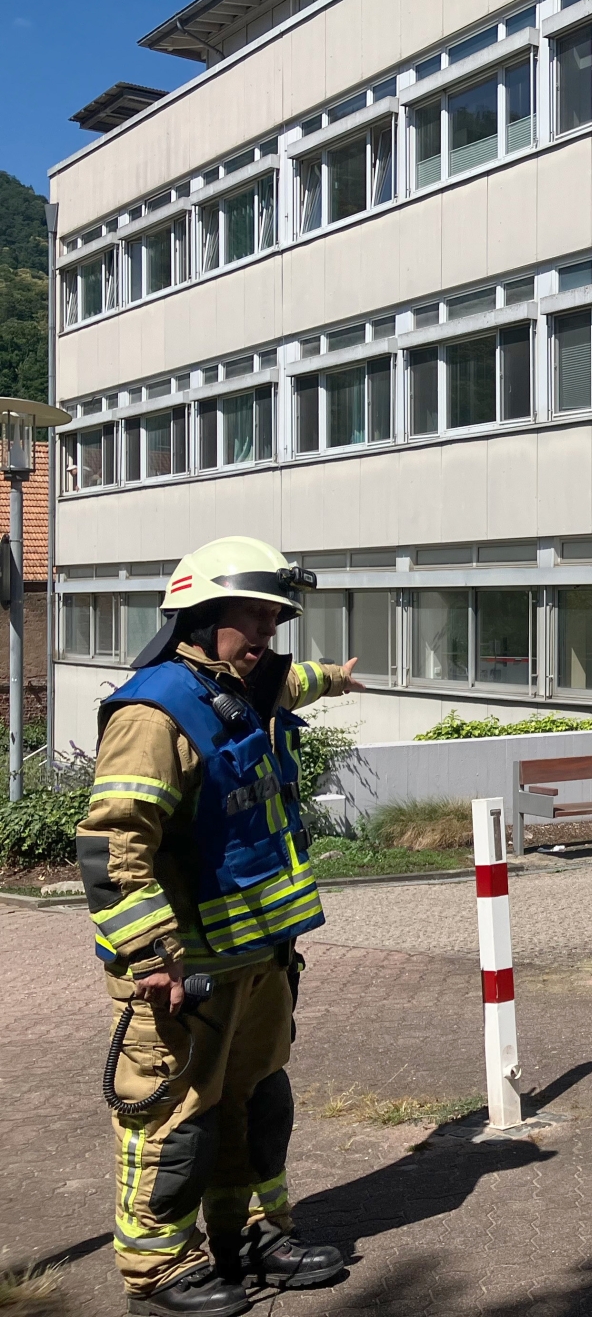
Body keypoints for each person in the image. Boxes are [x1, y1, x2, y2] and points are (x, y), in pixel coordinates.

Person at [79, 537, 364, 1316]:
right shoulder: (154, 713)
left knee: (255, 1103)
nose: (269, 635)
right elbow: (112, 849)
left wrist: (336, 679)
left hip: (256, 961)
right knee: (174, 1120)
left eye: (276, 619)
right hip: (181, 972)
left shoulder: (246, 686)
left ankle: (252, 1236)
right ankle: (159, 1271)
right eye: (255, 619)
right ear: (202, 619)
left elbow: (292, 681)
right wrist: (149, 958)